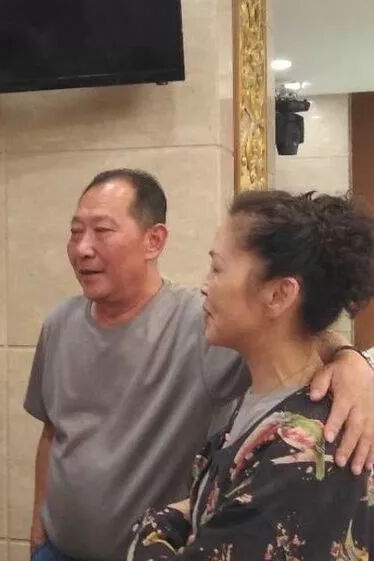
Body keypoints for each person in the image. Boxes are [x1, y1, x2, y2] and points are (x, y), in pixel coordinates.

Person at [24, 169, 374, 561]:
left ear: (154, 240)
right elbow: (53, 432)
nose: (83, 248)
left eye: (218, 268)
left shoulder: (295, 445)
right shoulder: (60, 324)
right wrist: (40, 523)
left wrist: (353, 362)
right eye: (75, 231)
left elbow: (296, 337)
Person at [125, 189, 374, 559]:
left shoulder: (300, 454)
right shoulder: (263, 399)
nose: (204, 286)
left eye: (218, 268)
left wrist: (149, 530)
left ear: (279, 295)